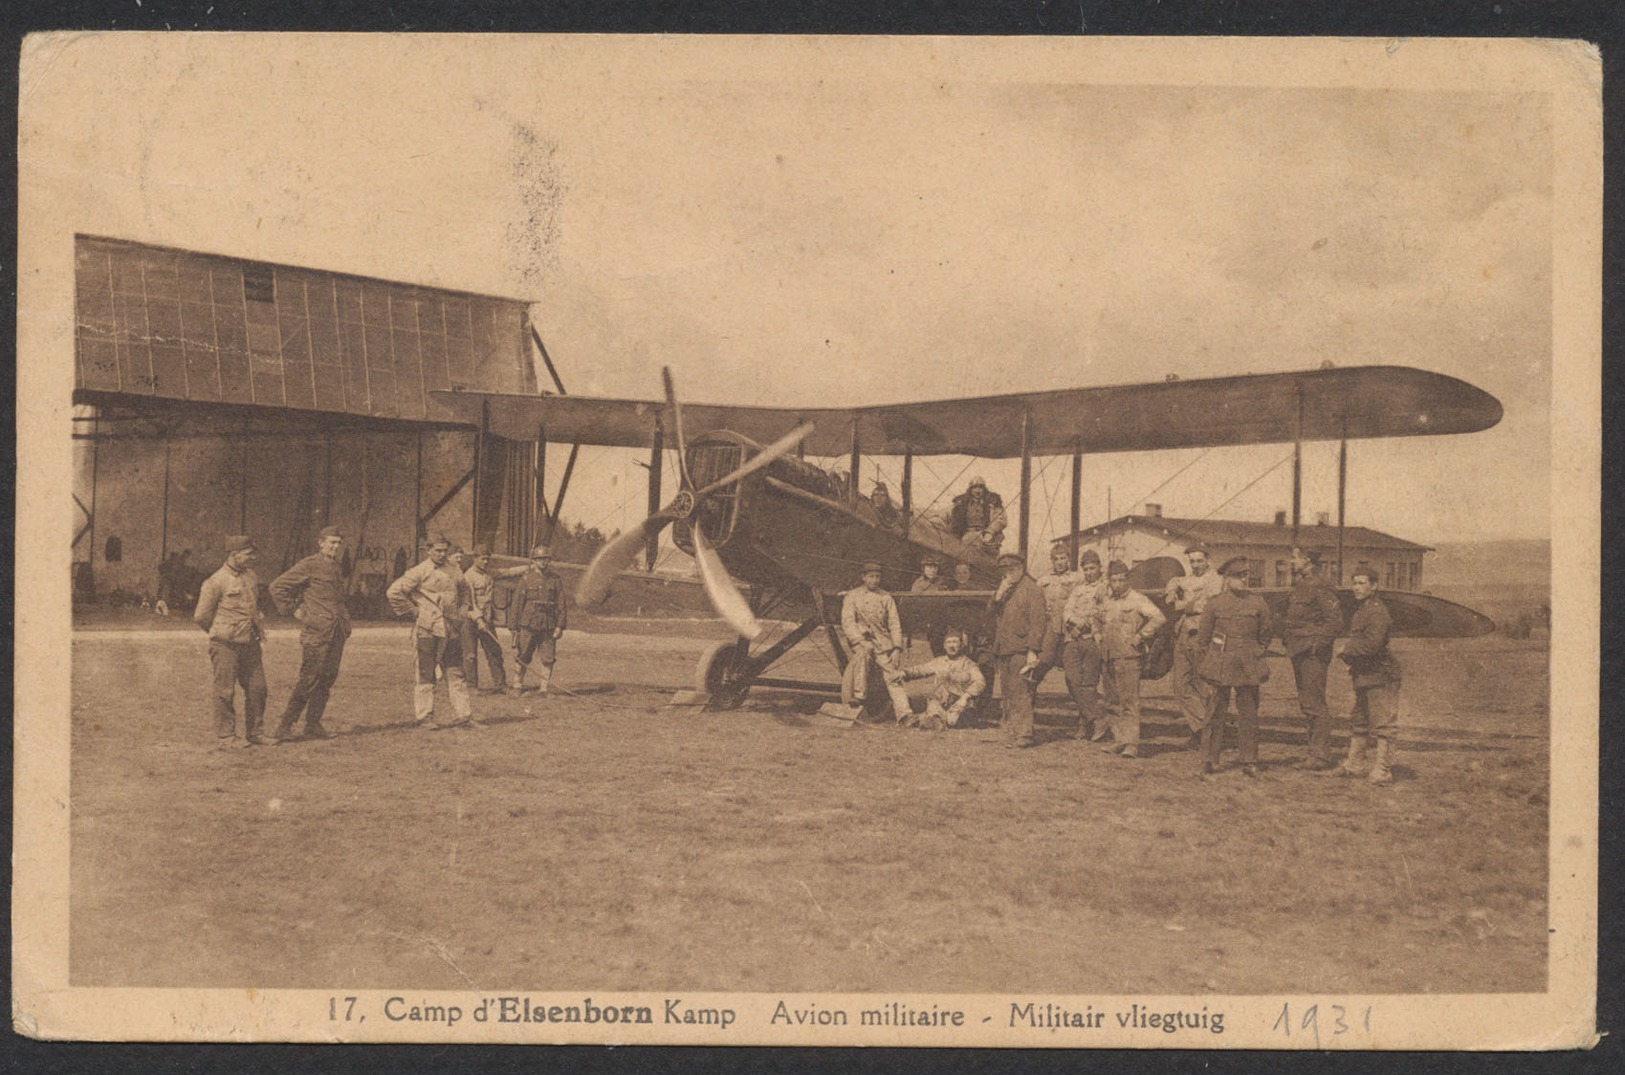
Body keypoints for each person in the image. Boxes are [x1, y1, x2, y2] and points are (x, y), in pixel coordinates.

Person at [268, 525, 352, 742]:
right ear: (321, 543)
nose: (335, 546)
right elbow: (277, 586)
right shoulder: (310, 564)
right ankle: (286, 724)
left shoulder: (335, 567)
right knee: (309, 678)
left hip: (336, 632)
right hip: (316, 633)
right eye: (331, 542)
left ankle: (313, 724)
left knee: (327, 679)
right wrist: (294, 610)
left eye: (338, 543)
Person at [386, 532, 475, 730]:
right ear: (428, 550)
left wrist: (462, 611)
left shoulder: (454, 570)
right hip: (427, 630)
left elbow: (464, 590)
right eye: (438, 551)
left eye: (445, 551)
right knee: (426, 673)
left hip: (451, 629)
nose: (442, 555)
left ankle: (464, 716)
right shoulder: (419, 571)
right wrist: (415, 611)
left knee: (456, 672)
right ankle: (425, 717)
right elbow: (393, 592)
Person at [1196, 557, 1273, 778]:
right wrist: (1211, 663)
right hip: (1221, 666)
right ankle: (1209, 759)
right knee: (1214, 713)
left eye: (1246, 575)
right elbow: (1204, 639)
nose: (1244, 579)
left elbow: (1266, 634)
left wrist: (1255, 652)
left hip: (1248, 666)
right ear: (1227, 579)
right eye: (1239, 576)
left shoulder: (1258, 603)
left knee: (1248, 713)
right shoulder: (1215, 604)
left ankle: (1249, 760)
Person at [193, 534, 270, 748]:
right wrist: (221, 632)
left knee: (258, 688)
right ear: (234, 555)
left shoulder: (251, 576)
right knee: (225, 690)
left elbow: (253, 606)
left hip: (250, 642)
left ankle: (256, 733)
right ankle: (226, 736)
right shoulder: (216, 581)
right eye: (248, 554)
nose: (252, 558)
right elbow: (201, 616)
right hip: (225, 644)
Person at [1091, 560, 1166, 759]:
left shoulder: (1137, 599)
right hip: (1108, 656)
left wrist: (1141, 636)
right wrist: (1097, 634)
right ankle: (1119, 740)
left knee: (1129, 702)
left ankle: (1131, 743)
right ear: (1109, 581)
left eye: (1122, 580)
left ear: (1128, 579)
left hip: (1128, 657)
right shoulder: (1106, 600)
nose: (1118, 584)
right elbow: (1096, 618)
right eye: (1114, 580)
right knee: (1112, 701)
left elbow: (1159, 618)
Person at [1336, 566, 1402, 784]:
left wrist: (1346, 651)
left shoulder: (1377, 612)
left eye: (1362, 583)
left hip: (1380, 673)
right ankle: (1355, 764)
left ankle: (1384, 770)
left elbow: (1372, 645)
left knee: (1383, 724)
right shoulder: (1363, 610)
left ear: (1374, 586)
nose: (1356, 587)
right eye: (1354, 582)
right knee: (1360, 720)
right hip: (1365, 673)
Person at [1284, 545, 1346, 770]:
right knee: (1307, 702)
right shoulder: (1303, 583)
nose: (1291, 562)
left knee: (1314, 703)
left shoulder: (1320, 584)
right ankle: (1315, 753)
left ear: (1307, 559)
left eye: (1294, 557)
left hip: (1311, 654)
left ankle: (1320, 756)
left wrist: (1314, 646)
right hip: (1299, 650)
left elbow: (1335, 622)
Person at [1164, 543, 1227, 747]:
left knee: (1203, 686)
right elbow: (1175, 582)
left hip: (1203, 635)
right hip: (1183, 634)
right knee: (1180, 685)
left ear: (1207, 560)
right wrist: (1172, 588)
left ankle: (1208, 733)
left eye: (1200, 560)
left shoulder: (1216, 580)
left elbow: (1208, 605)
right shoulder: (1188, 579)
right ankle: (1205, 728)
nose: (1196, 565)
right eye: (1192, 561)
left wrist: (1183, 604)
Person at [991, 552, 1052, 748]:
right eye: (1005, 572)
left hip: (1021, 649)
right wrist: (998, 595)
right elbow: (990, 614)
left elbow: (1038, 623)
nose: (1008, 575)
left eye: (1012, 570)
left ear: (1021, 569)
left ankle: (1025, 734)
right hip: (1004, 648)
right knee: (1008, 690)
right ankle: (1013, 731)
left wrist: (1033, 650)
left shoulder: (1032, 590)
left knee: (1021, 691)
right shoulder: (1006, 590)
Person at [840, 562, 914, 721]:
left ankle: (905, 714)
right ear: (863, 577)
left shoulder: (886, 597)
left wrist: (896, 648)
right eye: (871, 577)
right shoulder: (852, 596)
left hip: (883, 644)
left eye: (877, 577)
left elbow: (894, 624)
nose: (874, 580)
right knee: (864, 653)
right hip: (861, 641)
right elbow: (848, 622)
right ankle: (859, 695)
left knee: (893, 676)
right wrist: (859, 640)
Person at [464, 544, 525, 694]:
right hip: (470, 621)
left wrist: (527, 566)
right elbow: (469, 604)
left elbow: (507, 572)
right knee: (470, 655)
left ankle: (500, 684)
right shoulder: (467, 577)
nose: (486, 562)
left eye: (487, 559)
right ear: (475, 558)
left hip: (487, 620)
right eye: (483, 559)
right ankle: (471, 686)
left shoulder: (489, 573)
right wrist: (478, 620)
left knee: (494, 652)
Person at [1059, 549, 1107, 739]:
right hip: (1073, 638)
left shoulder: (1105, 588)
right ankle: (1098, 717)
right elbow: (1067, 611)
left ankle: (1084, 726)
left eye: (1092, 568)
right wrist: (1073, 624)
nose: (1089, 572)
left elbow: (1100, 611)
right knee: (1072, 680)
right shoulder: (1078, 589)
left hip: (1092, 640)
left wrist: (1084, 623)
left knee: (1088, 684)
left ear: (1099, 568)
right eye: (1085, 569)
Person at [510, 544, 568, 696]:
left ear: (549, 560)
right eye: (539, 559)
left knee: (548, 657)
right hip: (528, 623)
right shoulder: (526, 578)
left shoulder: (555, 579)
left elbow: (562, 604)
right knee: (523, 655)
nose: (543, 562)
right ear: (534, 561)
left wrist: (560, 626)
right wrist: (513, 627)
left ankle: (544, 688)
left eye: (545, 559)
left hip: (548, 623)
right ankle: (517, 685)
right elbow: (517, 603)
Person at [901, 628, 985, 730]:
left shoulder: (969, 664)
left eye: (955, 642)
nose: (952, 646)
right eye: (948, 642)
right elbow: (920, 670)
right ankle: (934, 720)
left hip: (960, 705)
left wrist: (965, 697)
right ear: (944, 646)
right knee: (933, 705)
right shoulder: (939, 662)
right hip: (941, 703)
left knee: (955, 719)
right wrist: (904, 673)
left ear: (961, 645)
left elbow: (980, 682)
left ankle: (931, 721)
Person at [948, 477, 1007, 553]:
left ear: (984, 489)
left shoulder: (993, 502)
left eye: (980, 488)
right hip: (967, 534)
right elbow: (950, 516)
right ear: (970, 490)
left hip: (987, 535)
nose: (977, 491)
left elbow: (1001, 519)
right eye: (974, 488)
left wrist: (990, 532)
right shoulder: (961, 503)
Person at [910, 553, 950, 655]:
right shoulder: (918, 584)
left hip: (943, 618)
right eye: (929, 567)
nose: (932, 570)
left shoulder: (941, 582)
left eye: (935, 567)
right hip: (927, 620)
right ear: (923, 569)